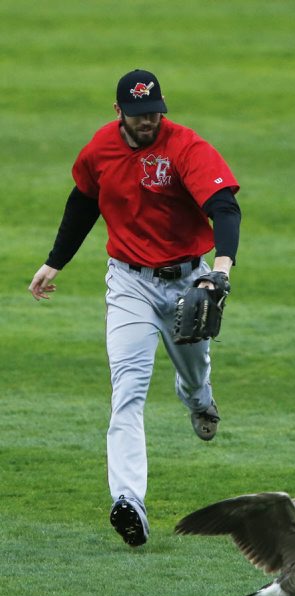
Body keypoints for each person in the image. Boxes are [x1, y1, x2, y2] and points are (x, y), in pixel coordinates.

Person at [28, 69, 241, 548]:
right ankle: (130, 503)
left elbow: (224, 207)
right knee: (127, 391)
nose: (149, 122)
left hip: (189, 279)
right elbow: (83, 203)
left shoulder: (185, 146)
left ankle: (199, 400)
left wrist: (219, 269)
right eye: (140, 115)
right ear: (118, 110)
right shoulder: (99, 150)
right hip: (129, 285)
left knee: (193, 373)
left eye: (154, 113)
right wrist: (54, 263)